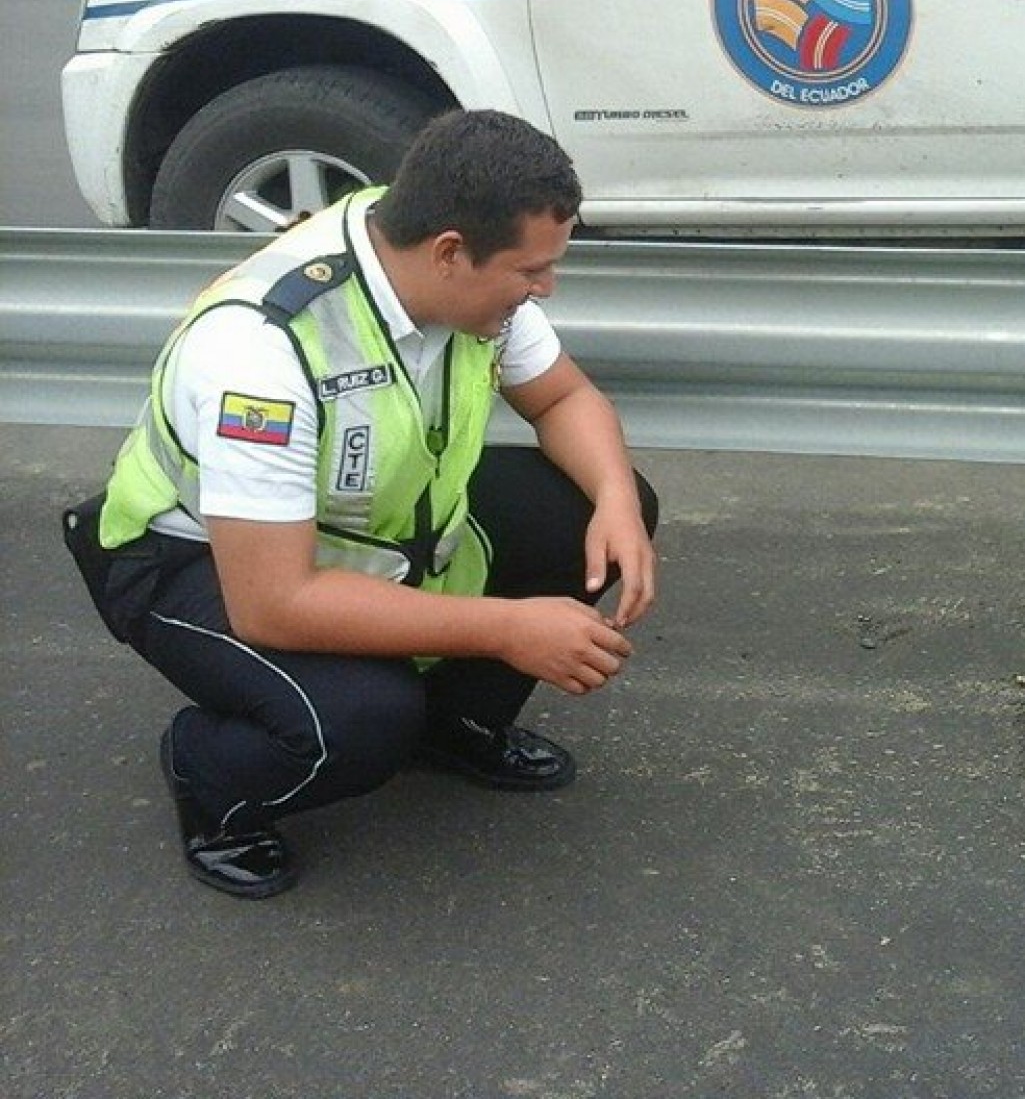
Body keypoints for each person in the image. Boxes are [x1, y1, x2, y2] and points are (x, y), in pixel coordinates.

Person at [60, 110, 659, 900]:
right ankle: (213, 780)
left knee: (589, 511)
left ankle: (453, 723)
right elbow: (275, 603)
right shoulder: (262, 352)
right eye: (532, 271)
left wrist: (616, 497)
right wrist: (511, 629)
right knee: (363, 716)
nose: (546, 287)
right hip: (192, 560)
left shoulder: (439, 252)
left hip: (359, 529)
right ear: (450, 253)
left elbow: (564, 400)